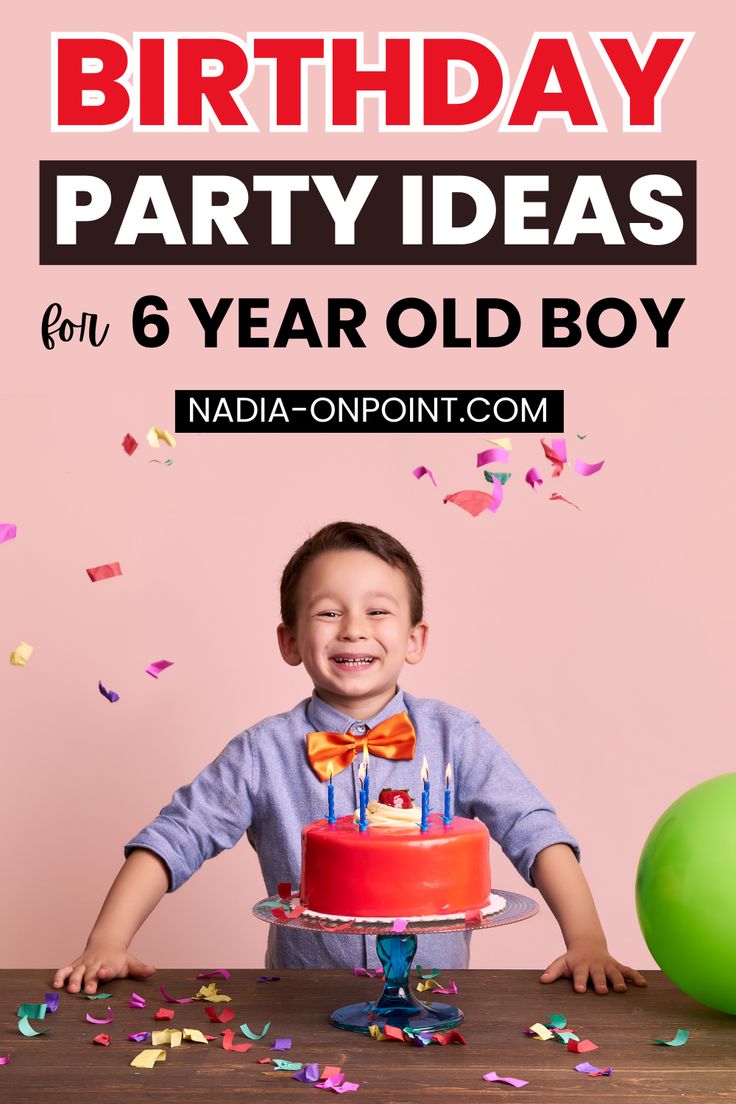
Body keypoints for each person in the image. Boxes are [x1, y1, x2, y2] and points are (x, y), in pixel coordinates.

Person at [53, 521, 646, 996]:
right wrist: (107, 939)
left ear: (416, 639)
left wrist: (586, 940)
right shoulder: (263, 752)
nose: (353, 630)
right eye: (328, 612)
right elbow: (175, 836)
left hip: (437, 1006)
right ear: (289, 641)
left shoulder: (456, 736)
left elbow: (533, 830)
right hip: (302, 1008)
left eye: (379, 611)